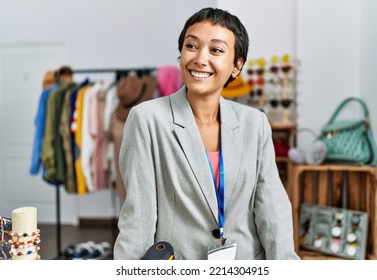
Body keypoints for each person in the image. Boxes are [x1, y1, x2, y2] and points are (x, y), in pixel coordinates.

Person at [114, 7, 299, 260]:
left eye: (216, 50)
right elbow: (139, 216)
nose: (200, 58)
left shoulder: (254, 123)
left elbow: (272, 209)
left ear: (237, 65)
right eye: (192, 46)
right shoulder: (147, 119)